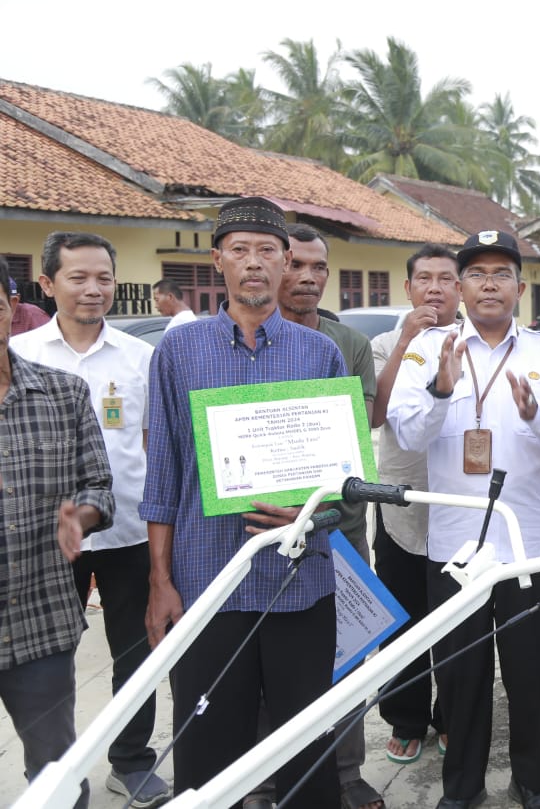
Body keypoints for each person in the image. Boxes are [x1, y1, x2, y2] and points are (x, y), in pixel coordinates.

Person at [141, 197, 346, 807]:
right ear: (218, 262)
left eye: (266, 251)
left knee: (306, 746)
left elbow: (342, 486)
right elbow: (165, 474)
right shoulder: (179, 352)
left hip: (298, 581)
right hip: (207, 584)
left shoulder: (320, 354)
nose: (253, 263)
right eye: (239, 250)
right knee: (207, 747)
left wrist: (313, 514)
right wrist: (160, 580)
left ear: (286, 263)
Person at [386, 229, 540, 809]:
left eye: (501, 273)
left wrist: (536, 413)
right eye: (476, 273)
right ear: (460, 286)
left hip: (525, 543)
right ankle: (462, 788)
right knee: (460, 676)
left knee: (528, 674)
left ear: (521, 287)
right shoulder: (431, 348)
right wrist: (442, 391)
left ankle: (532, 782)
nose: (489, 284)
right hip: (453, 546)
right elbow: (405, 430)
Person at [12, 233, 169, 808]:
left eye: (104, 277)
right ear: (48, 284)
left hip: (127, 529)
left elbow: (158, 448)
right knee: (48, 665)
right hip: (47, 541)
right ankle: (58, 770)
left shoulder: (141, 357)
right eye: (78, 278)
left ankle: (130, 761)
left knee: (136, 652)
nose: (94, 289)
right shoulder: (21, 352)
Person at [259, 223, 379, 809]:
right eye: (296, 264)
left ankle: (346, 774)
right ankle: (263, 780)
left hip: (342, 532)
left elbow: (352, 441)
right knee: (267, 659)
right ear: (275, 266)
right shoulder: (246, 343)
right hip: (263, 531)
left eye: (318, 267)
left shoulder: (346, 345)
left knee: (347, 655)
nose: (307, 277)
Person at [0, 257, 112, 809]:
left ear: (11, 310)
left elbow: (98, 484)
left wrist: (82, 516)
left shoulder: (64, 393)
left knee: (56, 771)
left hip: (39, 621)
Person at [369, 243, 462, 767]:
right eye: (423, 278)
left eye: (445, 279)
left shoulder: (480, 343)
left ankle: (452, 714)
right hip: (400, 501)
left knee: (457, 618)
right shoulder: (385, 343)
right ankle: (406, 718)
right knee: (402, 617)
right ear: (407, 289)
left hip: (462, 504)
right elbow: (377, 415)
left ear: (460, 288)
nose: (434, 288)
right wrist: (408, 338)